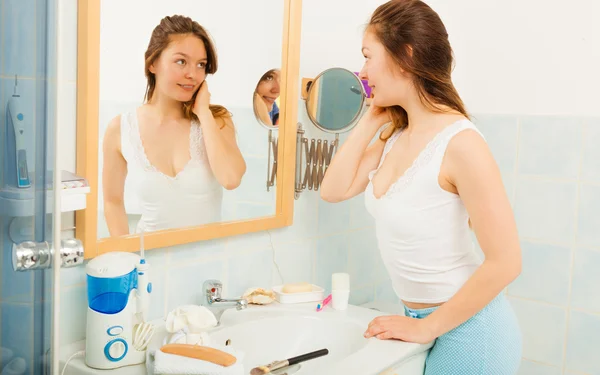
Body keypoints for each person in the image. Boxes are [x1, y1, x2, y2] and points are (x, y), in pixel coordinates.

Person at [320, 1, 522, 373]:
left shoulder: (461, 143)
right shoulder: (395, 135)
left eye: (368, 57)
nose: (362, 72)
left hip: (471, 332)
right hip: (423, 321)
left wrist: (427, 326)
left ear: (405, 57)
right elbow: (332, 190)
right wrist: (371, 117)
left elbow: (507, 262)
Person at [102, 15, 246, 236]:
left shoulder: (217, 120)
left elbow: (230, 179)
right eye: (181, 61)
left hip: (206, 265)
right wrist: (125, 257)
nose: (192, 74)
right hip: (147, 263)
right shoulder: (120, 128)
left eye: (201, 65)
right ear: (152, 63)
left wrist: (204, 113)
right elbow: (112, 202)